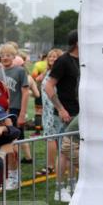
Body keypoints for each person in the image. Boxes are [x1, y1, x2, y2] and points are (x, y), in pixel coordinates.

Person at [45, 32, 79, 201]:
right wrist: (60, 109)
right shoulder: (63, 60)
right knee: (65, 152)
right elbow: (48, 86)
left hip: (79, 113)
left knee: (74, 150)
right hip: (66, 114)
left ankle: (72, 185)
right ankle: (59, 189)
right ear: (77, 42)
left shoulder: (84, 61)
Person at [0, 43, 29, 190]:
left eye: (8, 55)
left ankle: (14, 176)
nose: (5, 58)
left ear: (14, 56)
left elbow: (25, 93)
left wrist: (22, 113)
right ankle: (5, 175)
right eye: (2, 55)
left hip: (15, 111)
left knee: (13, 145)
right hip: (1, 111)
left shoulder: (20, 71)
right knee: (3, 144)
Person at [39, 48, 63, 180]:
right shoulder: (49, 71)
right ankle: (55, 164)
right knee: (52, 137)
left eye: (55, 57)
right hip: (47, 109)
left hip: (53, 109)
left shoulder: (59, 73)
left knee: (51, 137)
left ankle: (50, 166)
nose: (52, 59)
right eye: (50, 56)